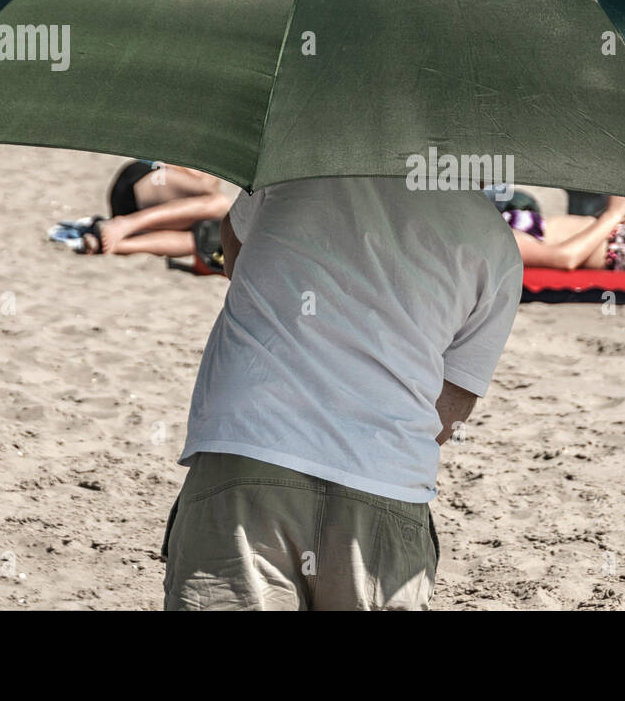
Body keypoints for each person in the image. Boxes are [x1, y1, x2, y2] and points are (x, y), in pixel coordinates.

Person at [163, 178, 522, 610]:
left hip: (248, 447)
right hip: (384, 480)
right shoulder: (495, 243)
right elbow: (449, 409)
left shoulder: (290, 172)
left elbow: (232, 244)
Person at [78, 162, 231, 257]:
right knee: (219, 202)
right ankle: (125, 224)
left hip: (156, 206)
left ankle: (113, 244)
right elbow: (206, 184)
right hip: (145, 180)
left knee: (208, 239)